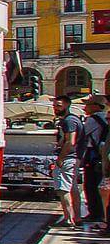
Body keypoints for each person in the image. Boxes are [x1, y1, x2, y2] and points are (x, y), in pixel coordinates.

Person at [52, 94, 81, 227]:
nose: (55, 108)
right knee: (73, 188)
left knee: (64, 189)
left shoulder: (69, 121)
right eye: (54, 106)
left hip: (68, 159)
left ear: (67, 105)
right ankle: (77, 217)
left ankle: (68, 219)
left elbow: (71, 141)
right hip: (73, 158)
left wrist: (60, 158)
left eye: (58, 105)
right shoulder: (72, 119)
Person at [83, 95, 110, 234]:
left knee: (91, 186)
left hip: (94, 158)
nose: (85, 107)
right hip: (102, 158)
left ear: (97, 106)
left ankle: (95, 214)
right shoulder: (105, 117)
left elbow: (83, 135)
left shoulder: (93, 119)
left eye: (88, 104)